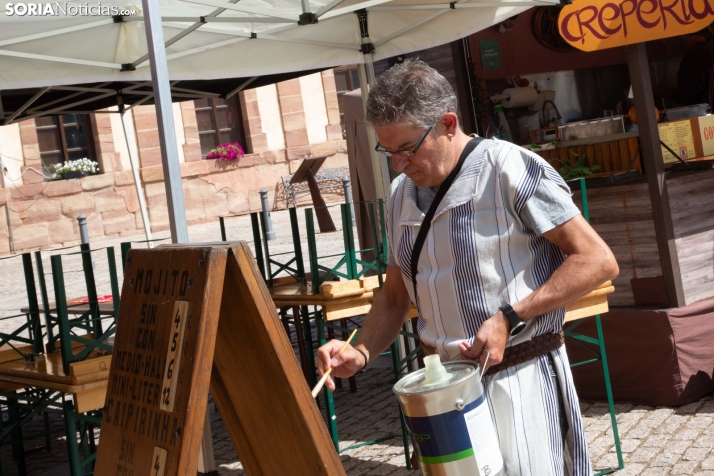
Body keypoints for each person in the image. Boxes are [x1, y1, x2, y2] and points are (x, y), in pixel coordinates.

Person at [317, 59, 619, 476]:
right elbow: (393, 296)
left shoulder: (510, 167)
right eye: (388, 152)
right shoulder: (400, 193)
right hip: (442, 392)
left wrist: (510, 316)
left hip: (522, 379)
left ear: (447, 123)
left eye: (407, 149)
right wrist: (360, 350)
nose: (399, 164)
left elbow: (597, 260)